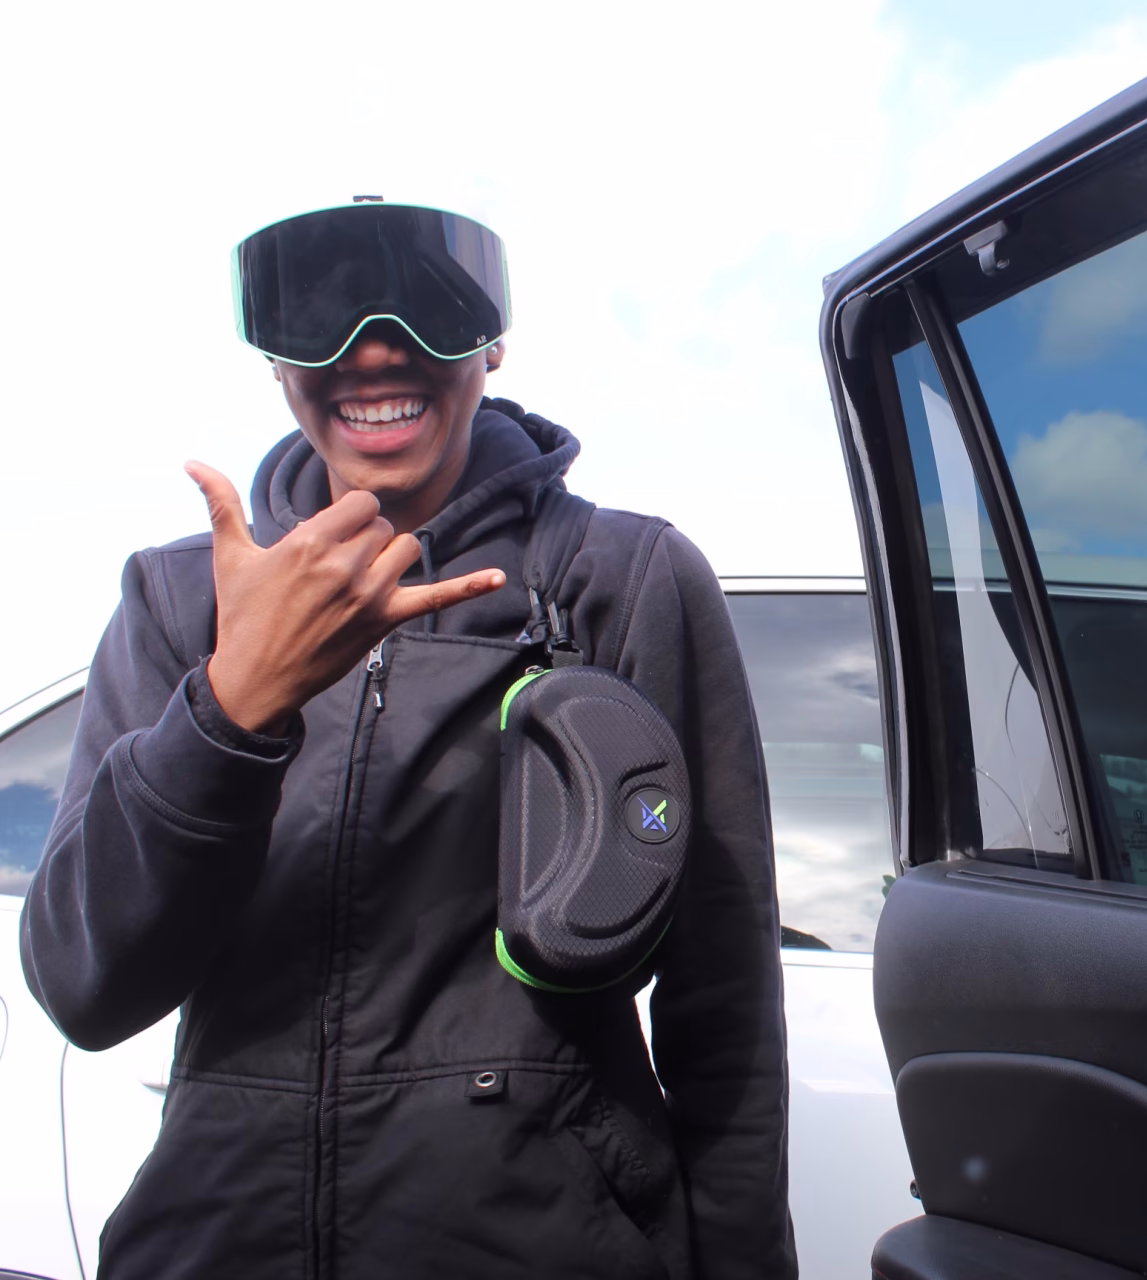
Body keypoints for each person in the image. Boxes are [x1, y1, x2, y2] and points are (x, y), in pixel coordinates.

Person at [18, 201, 797, 1279]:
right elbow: (85, 987)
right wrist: (233, 708)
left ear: (493, 344)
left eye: (427, 309)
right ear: (275, 362)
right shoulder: (179, 600)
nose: (376, 350)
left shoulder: (621, 581)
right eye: (322, 319)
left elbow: (728, 1003)